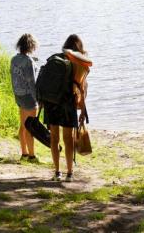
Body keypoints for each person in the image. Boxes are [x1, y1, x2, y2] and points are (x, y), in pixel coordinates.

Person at [45, 34, 90, 182]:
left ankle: (57, 171)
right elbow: (82, 89)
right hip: (67, 102)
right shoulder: (80, 63)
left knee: (54, 138)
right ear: (79, 47)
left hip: (51, 102)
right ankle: (69, 172)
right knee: (68, 139)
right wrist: (82, 110)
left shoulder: (56, 58)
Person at [11, 33, 39, 162]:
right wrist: (37, 99)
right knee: (30, 127)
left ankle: (24, 153)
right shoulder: (28, 61)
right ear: (31, 46)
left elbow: (14, 78)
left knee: (22, 125)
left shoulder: (14, 59)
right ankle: (32, 156)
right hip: (29, 96)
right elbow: (32, 82)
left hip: (19, 95)